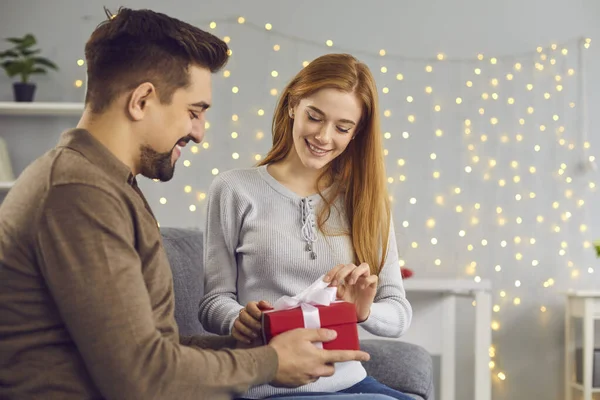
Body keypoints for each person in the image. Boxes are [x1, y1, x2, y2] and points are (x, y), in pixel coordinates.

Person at [0, 9, 395, 400]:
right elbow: (141, 374)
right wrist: (269, 363)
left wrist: (258, 345)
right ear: (141, 101)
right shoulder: (78, 194)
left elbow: (152, 349)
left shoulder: (108, 186)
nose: (200, 133)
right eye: (194, 112)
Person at [199, 53, 414, 399]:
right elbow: (213, 303)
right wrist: (240, 318)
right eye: (315, 117)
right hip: (267, 384)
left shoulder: (366, 202)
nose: (324, 137)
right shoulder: (234, 189)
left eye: (343, 128)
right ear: (292, 106)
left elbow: (399, 313)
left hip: (350, 382)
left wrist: (364, 311)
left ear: (356, 133)